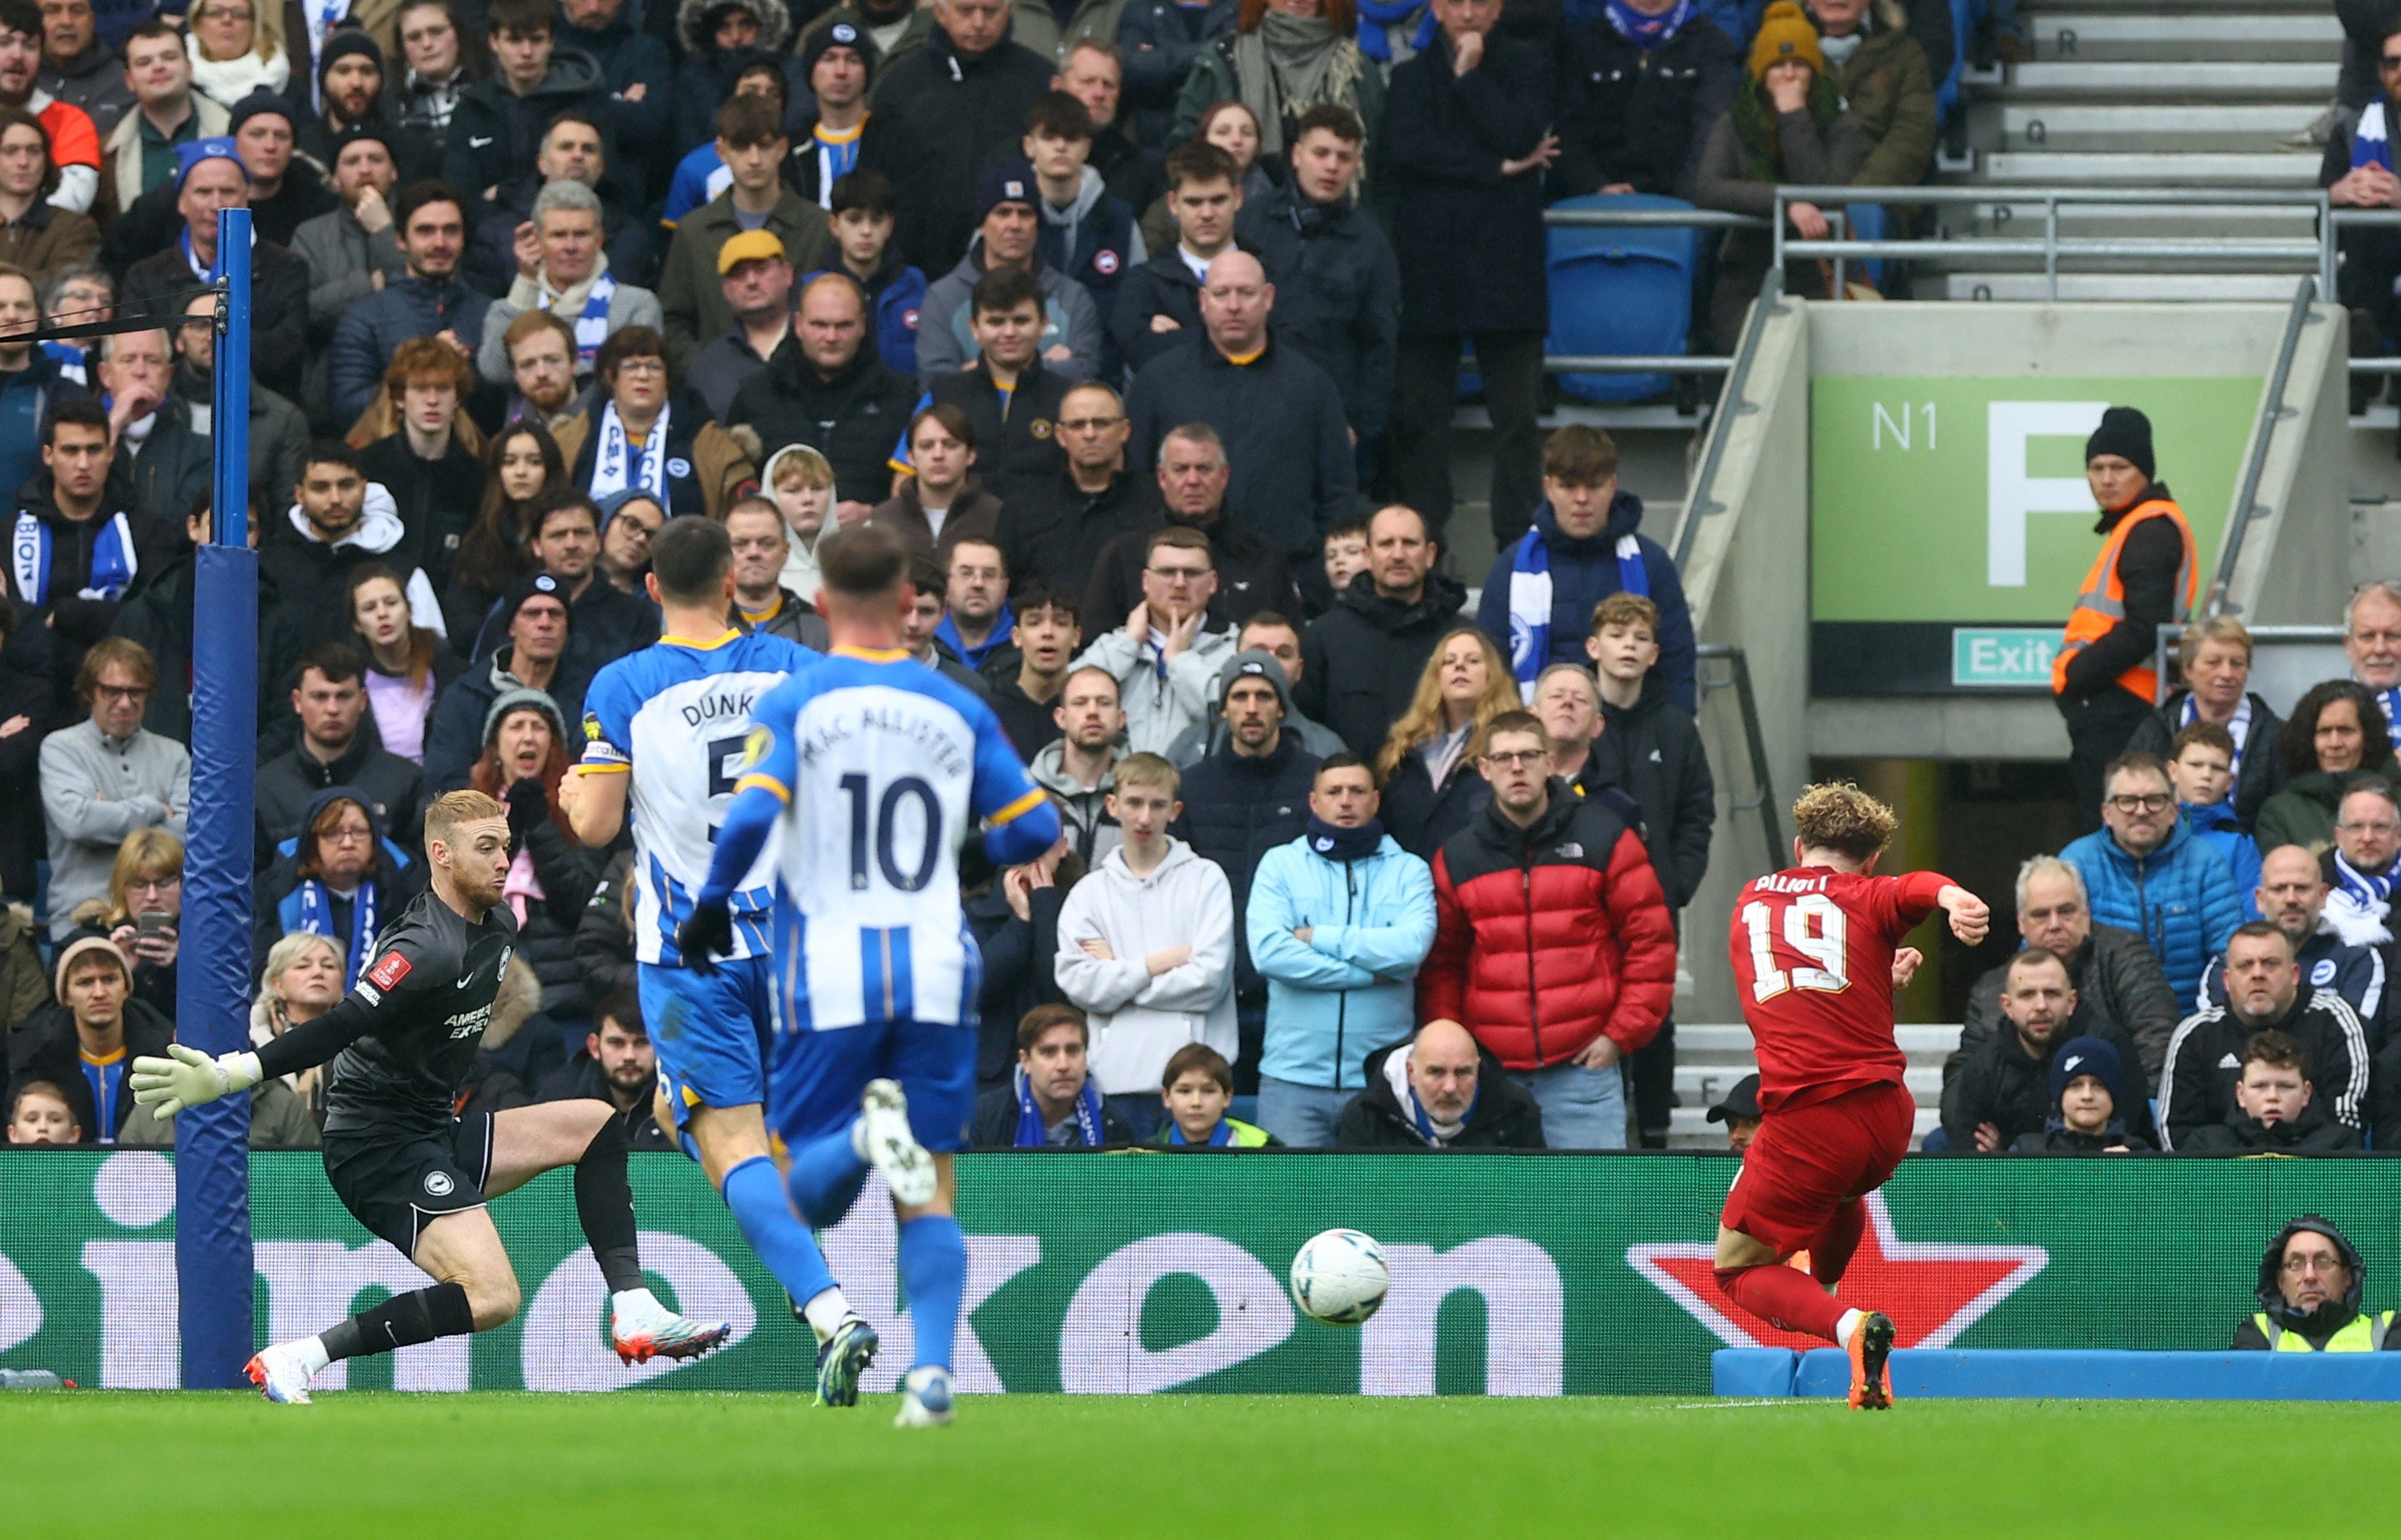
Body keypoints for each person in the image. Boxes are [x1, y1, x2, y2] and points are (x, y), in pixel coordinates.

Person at [133, 789, 736, 1404]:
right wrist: (231, 1074)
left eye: (505, 845)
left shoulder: (499, 924)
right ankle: (302, 1356)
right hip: (375, 1145)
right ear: (441, 856)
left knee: (597, 1124)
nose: (503, 860)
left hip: (432, 1127)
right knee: (493, 1296)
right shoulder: (422, 948)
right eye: (486, 848)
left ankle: (633, 1306)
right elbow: (341, 1025)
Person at [678, 521, 1062, 1428]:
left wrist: (710, 904)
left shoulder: (798, 700)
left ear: (819, 604)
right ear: (906, 603)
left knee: (798, 1177)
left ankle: (858, 1141)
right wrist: (988, 837)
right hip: (937, 966)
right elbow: (1037, 830)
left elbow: (751, 816)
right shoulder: (957, 707)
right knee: (929, 1176)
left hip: (830, 974)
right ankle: (931, 1377)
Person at [563, 518, 884, 1385]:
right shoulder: (796, 668)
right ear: (736, 578)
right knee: (680, 1115)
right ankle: (802, 1256)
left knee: (728, 1138)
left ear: (651, 585)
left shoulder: (624, 683)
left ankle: (827, 1309)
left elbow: (593, 825)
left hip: (690, 951)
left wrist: (571, 790)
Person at [1714, 780, 1989, 1410]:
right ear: (1870, 861)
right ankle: (1827, 1289)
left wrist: (1870, 970)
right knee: (1839, 1192)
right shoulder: (1868, 896)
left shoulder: (1751, 897)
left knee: (1735, 1269)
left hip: (1811, 1119)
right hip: (1887, 1120)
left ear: (1798, 845)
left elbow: (1793, 986)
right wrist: (1953, 897)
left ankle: (1846, 1325)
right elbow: (1911, 888)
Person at [1416, 710, 1672, 1149]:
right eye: (1503, 758)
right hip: (1491, 1078)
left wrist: (1619, 1035)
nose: (1517, 768)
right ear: (1484, 769)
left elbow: (1652, 944)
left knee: (1589, 1212)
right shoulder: (1459, 855)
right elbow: (1442, 965)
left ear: (1551, 762)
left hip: (1583, 1074)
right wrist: (1458, 1051)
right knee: (1492, 1214)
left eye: (1529, 756)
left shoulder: (1604, 836)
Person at [1384, 0, 1552, 545]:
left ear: (1500, 8)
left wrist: (1470, 78)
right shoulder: (1409, 78)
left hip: (1507, 271)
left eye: (1481, 1)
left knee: (1518, 426)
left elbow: (1520, 136)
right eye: (1456, 1)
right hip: (1429, 269)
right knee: (1421, 423)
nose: (1469, 12)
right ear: (1435, 6)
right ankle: (1421, 546)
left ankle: (1519, 548)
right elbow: (1406, 152)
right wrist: (1494, 170)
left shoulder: (1529, 65)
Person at [1245, 751, 1434, 1146]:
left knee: (1380, 1207)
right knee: (1289, 1206)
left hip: (1382, 1083)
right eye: (1334, 792)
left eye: (1357, 791)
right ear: (1314, 802)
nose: (1346, 801)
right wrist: (1369, 974)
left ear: (1376, 800)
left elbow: (1411, 947)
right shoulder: (1280, 865)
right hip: (1292, 1082)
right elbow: (1270, 954)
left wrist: (1319, 937)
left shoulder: (1409, 870)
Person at [1125, 249, 1354, 574]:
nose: (1234, 306)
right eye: (1221, 294)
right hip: (1182, 577)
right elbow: (1135, 484)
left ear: (1269, 298)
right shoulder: (1158, 381)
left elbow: (1338, 491)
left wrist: (1315, 571)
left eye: (1246, 293)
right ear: (1203, 301)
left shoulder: (1311, 384)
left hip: (1287, 576)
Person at [1053, 749, 1235, 1137]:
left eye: (1157, 805)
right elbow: (1081, 987)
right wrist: (1158, 963)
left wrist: (1118, 975)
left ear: (1176, 810)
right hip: (1115, 1084)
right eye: (1134, 803)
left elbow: (1209, 981)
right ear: (1112, 805)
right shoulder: (1088, 893)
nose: (1144, 817)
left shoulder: (1207, 879)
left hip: (1194, 1087)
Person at [1168, 648, 1319, 1074]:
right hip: (1212, 991)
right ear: (1223, 709)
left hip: (1291, 991)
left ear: (1282, 708)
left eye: (1264, 696)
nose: (1251, 709)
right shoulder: (1192, 787)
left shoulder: (1318, 784)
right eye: (1239, 696)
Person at [2047, 406, 2197, 827]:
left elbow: (2144, 627)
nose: (2107, 479)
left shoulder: (2149, 529)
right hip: (2119, 702)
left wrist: (2077, 674)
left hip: (2123, 705)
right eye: (2096, 468)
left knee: (2114, 829)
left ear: (2144, 472)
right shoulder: (2140, 524)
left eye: (2120, 467)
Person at [1480, 425, 1696, 711]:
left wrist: (1676, 743)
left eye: (1594, 486)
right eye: (1568, 486)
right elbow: (1491, 667)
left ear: (1613, 487)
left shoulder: (1651, 563)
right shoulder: (1511, 567)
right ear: (1548, 488)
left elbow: (1676, 662)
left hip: (1633, 732)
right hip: (1538, 737)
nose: (1581, 499)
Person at [1691, 4, 1863, 347]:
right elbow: (1709, 187)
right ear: (1760, 73)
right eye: (1777, 65)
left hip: (1818, 272)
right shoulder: (1736, 123)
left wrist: (1793, 117)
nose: (1789, 74)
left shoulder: (1840, 126)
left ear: (1815, 72)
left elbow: (1826, 195)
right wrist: (1784, 204)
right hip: (1745, 276)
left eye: (1799, 64)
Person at [1948, 853, 2180, 1099]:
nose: (2055, 924)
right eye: (2041, 915)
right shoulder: (1992, 989)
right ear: (2021, 923)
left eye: (2066, 911)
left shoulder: (2126, 957)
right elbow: (1961, 1077)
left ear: (2086, 913)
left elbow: (2158, 1042)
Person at [1238, 103, 1398, 451]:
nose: (1331, 166)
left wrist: (1358, 424)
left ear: (1356, 165)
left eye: (1343, 157)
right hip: (1247, 401)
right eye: (1321, 153)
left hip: (1329, 416)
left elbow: (1379, 344)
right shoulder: (1250, 223)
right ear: (1296, 155)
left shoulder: (1370, 245)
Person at [4, 396, 173, 715]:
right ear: (48, 455)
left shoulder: (148, 531)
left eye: (94, 450)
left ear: (111, 453)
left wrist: (70, 615)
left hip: (123, 701)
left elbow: (152, 618)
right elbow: (10, 623)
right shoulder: (9, 533)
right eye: (71, 451)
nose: (83, 464)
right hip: (34, 703)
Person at [117, 137, 309, 404]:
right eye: (203, 192)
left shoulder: (286, 269)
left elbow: (285, 352)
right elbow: (137, 350)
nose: (216, 203)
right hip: (170, 415)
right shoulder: (146, 276)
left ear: (247, 198)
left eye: (228, 192)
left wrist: (197, 342)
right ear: (181, 202)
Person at [872, 0, 1059, 273]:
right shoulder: (901, 85)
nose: (979, 22)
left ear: (1009, 11)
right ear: (940, 12)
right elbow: (880, 180)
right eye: (966, 11)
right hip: (917, 263)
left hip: (1019, 262)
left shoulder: (1041, 82)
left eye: (990, 11)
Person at [657, 96, 830, 378]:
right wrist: (706, 367)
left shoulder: (818, 227)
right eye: (740, 147)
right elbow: (672, 319)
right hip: (719, 391)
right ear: (721, 152)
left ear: (783, 148)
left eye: (764, 146)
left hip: (804, 385)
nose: (753, 160)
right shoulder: (694, 231)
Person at [2159, 922, 2370, 1149]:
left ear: (2294, 974)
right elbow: (2176, 1137)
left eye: (2270, 964)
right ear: (2227, 981)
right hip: (2220, 1179)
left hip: (2316, 1176)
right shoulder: (2195, 1035)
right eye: (2245, 966)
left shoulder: (2335, 1022)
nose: (2257, 974)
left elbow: (2347, 1127)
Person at [2060, 751, 2243, 1012]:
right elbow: (2042, 952)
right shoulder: (2076, 863)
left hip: (2191, 1020)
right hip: (2098, 1027)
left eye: (2154, 800)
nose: (2141, 811)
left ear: (2173, 811)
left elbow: (2229, 954)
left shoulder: (2206, 862)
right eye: (2127, 801)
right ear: (2106, 813)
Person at [1078, 418, 1297, 632]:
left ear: (1224, 476)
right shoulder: (1124, 554)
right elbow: (1095, 647)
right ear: (1162, 478)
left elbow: (1288, 643)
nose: (1193, 481)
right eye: (1181, 469)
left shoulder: (1263, 557)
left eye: (1204, 469)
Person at [730, 271, 919, 515]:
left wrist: (876, 515)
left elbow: (922, 490)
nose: (831, 337)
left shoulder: (902, 397)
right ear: (798, 325)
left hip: (871, 544)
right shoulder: (756, 395)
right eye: (820, 325)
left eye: (844, 326)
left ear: (863, 325)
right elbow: (735, 489)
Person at [38, 636, 185, 939]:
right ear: (91, 691)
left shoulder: (174, 754)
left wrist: (107, 815)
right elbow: (78, 822)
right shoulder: (61, 748)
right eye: (112, 691)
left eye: (136, 692)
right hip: (84, 917)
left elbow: (191, 833)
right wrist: (155, 809)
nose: (125, 703)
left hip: (157, 922)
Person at [1295, 503, 1462, 757]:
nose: (1398, 555)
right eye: (1386, 544)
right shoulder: (1323, 639)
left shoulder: (1465, 641)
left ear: (1430, 555)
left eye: (1409, 543)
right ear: (1368, 556)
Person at [915, 162, 1103, 385]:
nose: (1015, 225)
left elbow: (1087, 372)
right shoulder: (943, 298)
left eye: (1025, 214)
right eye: (1003, 212)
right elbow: (936, 382)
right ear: (981, 225)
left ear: (1038, 225)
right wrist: (1043, 368)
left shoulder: (1072, 297)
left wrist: (975, 371)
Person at [258, 441, 447, 660]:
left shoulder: (403, 572)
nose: (335, 499)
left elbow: (434, 659)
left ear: (365, 489)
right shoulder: (269, 567)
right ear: (300, 495)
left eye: (346, 485)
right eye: (321, 488)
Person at [326, 178, 489, 430]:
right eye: (426, 231)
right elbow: (347, 409)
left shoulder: (488, 313)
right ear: (401, 240)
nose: (440, 243)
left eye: (451, 230)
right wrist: (425, 366)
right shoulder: (365, 317)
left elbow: (503, 405)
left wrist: (463, 375)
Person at [475, 178, 663, 389]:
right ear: (538, 241)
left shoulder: (636, 305)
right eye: (559, 235)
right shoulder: (510, 308)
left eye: (581, 234)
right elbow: (495, 371)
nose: (570, 246)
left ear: (599, 240)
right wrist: (526, 283)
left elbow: (630, 379)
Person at [1070, 524, 1239, 754]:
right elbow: (1069, 699)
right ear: (1146, 581)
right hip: (1122, 786)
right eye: (1168, 572)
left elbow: (1234, 716)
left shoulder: (1236, 647)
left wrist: (1179, 660)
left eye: (1192, 573)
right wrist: (1128, 644)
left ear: (1213, 583)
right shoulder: (1116, 647)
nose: (1179, 583)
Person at [559, 329, 752, 525]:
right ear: (611, 376)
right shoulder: (572, 439)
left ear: (667, 378)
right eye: (632, 367)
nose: (643, 376)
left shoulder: (709, 442)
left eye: (654, 367)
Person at [463, 107, 656, 303]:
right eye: (566, 147)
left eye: (588, 149)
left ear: (602, 168)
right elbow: (484, 316)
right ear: (542, 164)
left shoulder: (632, 238)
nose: (578, 156)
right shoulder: (495, 235)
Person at [423, 570, 589, 792]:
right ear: (511, 627)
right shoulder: (465, 695)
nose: (545, 623)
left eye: (555, 614)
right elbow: (443, 778)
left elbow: (591, 775)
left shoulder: (588, 696)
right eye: (532, 614)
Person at [919, 267, 1071, 508]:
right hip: (963, 536)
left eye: (1021, 321)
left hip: (1046, 538)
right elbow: (907, 475)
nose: (1009, 333)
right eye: (996, 322)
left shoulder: (1069, 399)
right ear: (974, 328)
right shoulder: (943, 395)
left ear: (1043, 325)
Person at [255, 641, 424, 857]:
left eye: (343, 696)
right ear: (297, 702)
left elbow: (421, 875)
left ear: (363, 701)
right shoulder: (265, 790)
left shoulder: (405, 782)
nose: (332, 709)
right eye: (320, 697)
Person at [997, 379, 1160, 601]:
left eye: (1101, 423)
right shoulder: (1023, 509)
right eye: (1077, 425)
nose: (1090, 434)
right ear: (1060, 436)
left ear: (1125, 430)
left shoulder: (1159, 501)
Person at [1554, 0, 1735, 200]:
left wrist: (1683, 202)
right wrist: (1596, 186)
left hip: (1683, 203)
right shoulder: (1582, 43)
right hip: (1596, 203)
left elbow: (1711, 130)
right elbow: (1568, 129)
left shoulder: (1713, 43)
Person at [1170, 0, 1381, 172]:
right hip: (1242, 212)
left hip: (1340, 214)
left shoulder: (1356, 67)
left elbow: (1379, 159)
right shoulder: (1223, 59)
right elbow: (1186, 145)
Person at [2202, 843, 2387, 1037]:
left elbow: (2351, 1040)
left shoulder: (2357, 961)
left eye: (2301, 888)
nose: (2291, 899)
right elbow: (2218, 1043)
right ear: (2260, 899)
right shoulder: (2225, 966)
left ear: (2323, 895)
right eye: (2279, 889)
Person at [2122, 615, 2286, 828]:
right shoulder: (2157, 728)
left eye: (2237, 664)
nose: (2227, 674)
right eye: (2213, 663)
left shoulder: (2275, 736)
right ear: (2188, 670)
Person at [474, 488, 660, 677]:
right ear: (536, 546)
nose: (571, 544)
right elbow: (480, 681)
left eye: (581, 533)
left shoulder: (636, 616)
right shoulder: (512, 608)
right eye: (558, 535)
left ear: (598, 541)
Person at [439, 0, 611, 202]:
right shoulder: (472, 108)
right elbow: (459, 194)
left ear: (552, 42)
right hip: (489, 229)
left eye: (536, 40)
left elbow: (605, 181)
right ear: (494, 42)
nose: (527, 52)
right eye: (514, 40)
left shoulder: (585, 103)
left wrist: (505, 193)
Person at [6, 935, 171, 1141]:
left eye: (109, 980)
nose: (99, 993)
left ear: (126, 988)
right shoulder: (35, 1059)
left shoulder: (165, 1053)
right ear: (66, 997)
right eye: (85, 983)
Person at [253, 784, 421, 984]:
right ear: (313, 842)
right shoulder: (273, 893)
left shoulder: (405, 891)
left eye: (359, 832)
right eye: (333, 833)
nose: (348, 843)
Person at [354, 339, 483, 599]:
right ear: (400, 398)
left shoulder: (477, 478)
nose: (432, 401)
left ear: (458, 398)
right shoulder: (368, 468)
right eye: (421, 389)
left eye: (443, 389)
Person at [1373, 624, 1514, 859]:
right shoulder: (1404, 750)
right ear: (1436, 676)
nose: (1460, 666)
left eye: (1473, 660)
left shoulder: (1507, 747)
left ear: (1492, 674)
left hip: (1474, 883)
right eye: (1449, 661)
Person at [1110, 138, 1241, 377]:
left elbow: (1285, 346)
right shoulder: (1143, 282)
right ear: (1173, 203)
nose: (1207, 214)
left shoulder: (1269, 272)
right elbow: (1139, 353)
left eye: (1218, 200)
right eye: (1194, 202)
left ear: (1238, 198)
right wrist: (1240, 334)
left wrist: (1177, 337)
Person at [1939, 946, 2084, 1153]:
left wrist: (2010, 1153)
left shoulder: (2105, 1051)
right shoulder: (1983, 1068)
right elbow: (1968, 1159)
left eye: (2051, 993)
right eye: (2027, 995)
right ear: (2007, 1006)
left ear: (2072, 1002)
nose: (2041, 1006)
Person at [1332, 1016, 1544, 1149]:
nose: (1450, 1087)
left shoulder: (1517, 1110)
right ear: (1411, 1072)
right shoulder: (1366, 1115)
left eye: (1463, 1072)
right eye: (1436, 1072)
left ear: (1478, 1069)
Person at [1165, 609, 1344, 763]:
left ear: (1299, 670)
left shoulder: (1326, 748)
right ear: (1232, 663)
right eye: (1258, 651)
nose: (1271, 661)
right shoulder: (1191, 744)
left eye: (1283, 654)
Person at [443, 417, 559, 643]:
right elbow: (463, 623)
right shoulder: (478, 543)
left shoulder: (567, 536)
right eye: (509, 462)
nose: (521, 472)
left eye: (534, 462)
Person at [2255, 680, 2400, 853]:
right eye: (2324, 732)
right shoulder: (2278, 813)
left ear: (2368, 738)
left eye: (2346, 731)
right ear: (2308, 739)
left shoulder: (2396, 800)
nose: (2335, 743)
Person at [99, 21, 224, 218]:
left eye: (169, 57)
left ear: (190, 69)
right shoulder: (108, 154)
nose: (158, 67)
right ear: (129, 80)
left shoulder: (234, 136)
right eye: (144, 62)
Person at [1806, 0, 1935, 190]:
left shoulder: (1905, 54)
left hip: (1877, 199)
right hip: (1793, 206)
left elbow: (1911, 136)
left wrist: (1860, 199)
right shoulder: (1773, 49)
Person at [969, 1002, 1137, 1147]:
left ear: (1086, 1057)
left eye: (1073, 1051)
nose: (1063, 1065)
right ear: (1026, 1061)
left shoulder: (1113, 1123)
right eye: (1049, 1052)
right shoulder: (983, 1119)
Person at [817, 169, 926, 380]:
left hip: (906, 407)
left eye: (876, 220)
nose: (866, 231)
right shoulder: (813, 288)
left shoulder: (916, 285)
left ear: (890, 226)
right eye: (854, 220)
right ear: (834, 225)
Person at [2179, 1028, 2361, 1153]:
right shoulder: (2205, 1145)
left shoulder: (2339, 1145)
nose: (2272, 1097)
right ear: (2240, 1094)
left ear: (2306, 1093)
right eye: (2260, 1087)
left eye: (2286, 1086)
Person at [350, 561, 462, 765]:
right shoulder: (351, 678)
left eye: (391, 603)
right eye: (369, 608)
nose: (382, 614)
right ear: (357, 624)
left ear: (409, 610)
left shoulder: (447, 668)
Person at [2234, 1217, 2399, 1352]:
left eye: (2323, 1262)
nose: (2310, 1275)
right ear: (2281, 1282)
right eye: (2296, 1264)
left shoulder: (2387, 1331)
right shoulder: (2257, 1334)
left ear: (2347, 1278)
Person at [872, 403, 1004, 559]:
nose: (938, 455)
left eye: (950, 445)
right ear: (910, 457)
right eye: (927, 446)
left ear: (971, 455)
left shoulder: (997, 517)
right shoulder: (883, 519)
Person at [687, 226, 792, 423]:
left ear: (787, 275)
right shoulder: (708, 367)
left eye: (761, 269)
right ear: (726, 290)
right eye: (739, 274)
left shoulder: (821, 342)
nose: (751, 281)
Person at [1031, 662, 1126, 862]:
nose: (1092, 712)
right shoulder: (1026, 794)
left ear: (1121, 718)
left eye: (1104, 703)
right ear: (1061, 718)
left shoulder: (1141, 796)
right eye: (1080, 703)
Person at [2169, 722, 2261, 916]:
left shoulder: (2238, 842)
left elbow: (2251, 913)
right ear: (2172, 771)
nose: (2206, 775)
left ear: (2230, 782)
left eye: (2218, 768)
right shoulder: (2147, 827)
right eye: (2196, 765)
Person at [2009, 1034, 2148, 1153]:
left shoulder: (2138, 1151)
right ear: (2060, 1095)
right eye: (2075, 1086)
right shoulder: (2027, 1150)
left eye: (2099, 1085)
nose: (2087, 1096)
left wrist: (2132, 1176)